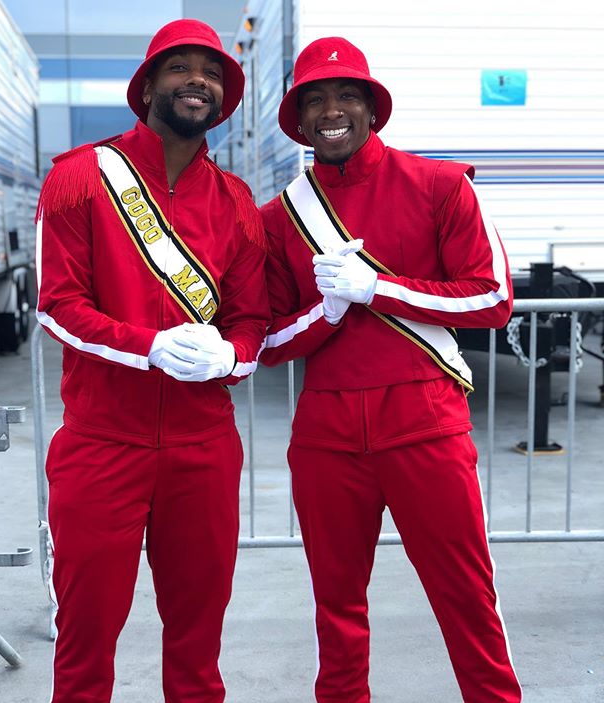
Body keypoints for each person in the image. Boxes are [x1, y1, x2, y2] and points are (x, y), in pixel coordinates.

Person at [260, 36, 521, 702]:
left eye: (347, 94)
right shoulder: (280, 217)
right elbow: (266, 338)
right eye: (315, 100)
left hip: (424, 418)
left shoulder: (438, 184)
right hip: (326, 430)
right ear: (299, 119)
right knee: (335, 612)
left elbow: (493, 298)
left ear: (372, 108)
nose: (332, 110)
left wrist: (377, 288)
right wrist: (330, 309)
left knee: (467, 601)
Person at [35, 19, 269, 703]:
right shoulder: (81, 178)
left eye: (212, 71)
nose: (197, 80)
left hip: (204, 447)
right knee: (85, 642)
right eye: (180, 67)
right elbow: (57, 305)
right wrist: (149, 347)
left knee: (199, 645)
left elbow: (252, 320)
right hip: (102, 443)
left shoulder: (237, 205)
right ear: (147, 87)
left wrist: (231, 353)